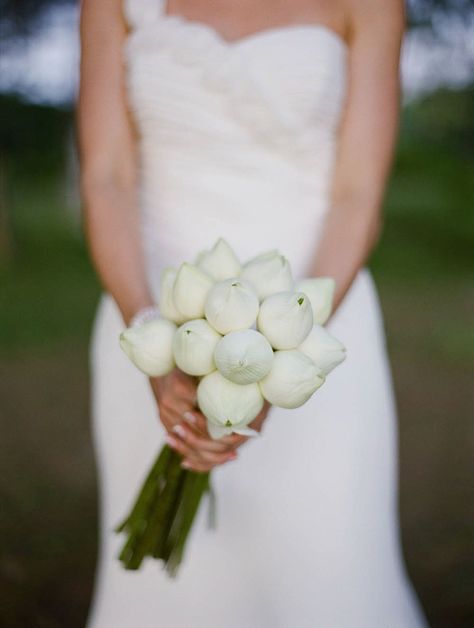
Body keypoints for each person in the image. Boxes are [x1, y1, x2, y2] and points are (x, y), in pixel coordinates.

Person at [79, 0, 427, 626]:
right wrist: (154, 338)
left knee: (326, 561)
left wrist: (284, 350)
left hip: (318, 316)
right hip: (147, 306)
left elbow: (356, 197)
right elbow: (107, 176)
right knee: (170, 595)